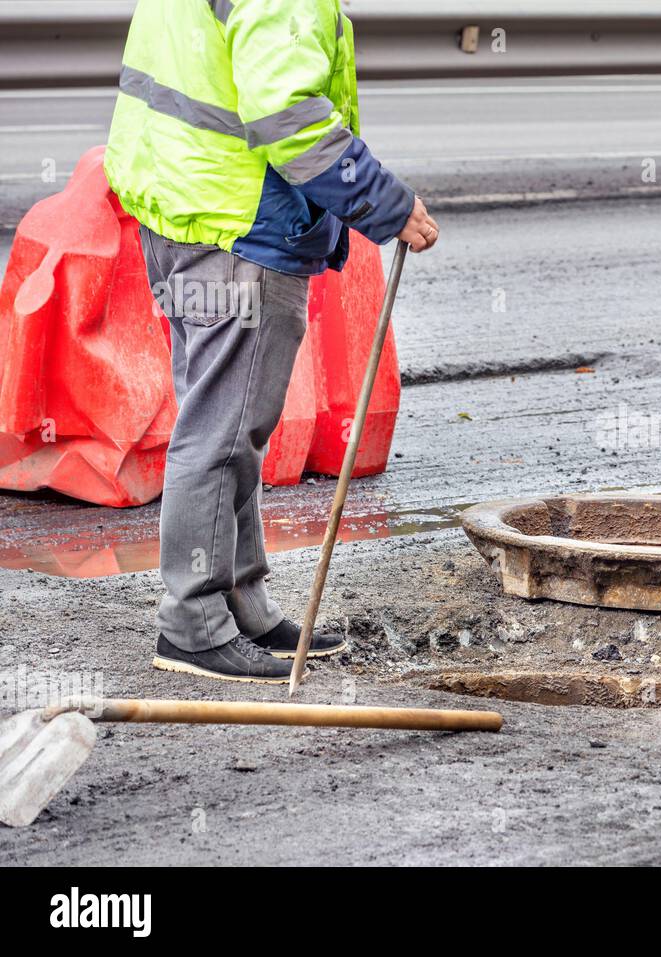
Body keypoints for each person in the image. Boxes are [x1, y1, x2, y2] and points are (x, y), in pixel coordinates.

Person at [103, 0, 439, 683]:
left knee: (222, 424)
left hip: (180, 208)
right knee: (224, 432)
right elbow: (286, 117)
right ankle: (193, 624)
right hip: (239, 222)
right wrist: (385, 204)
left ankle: (239, 599)